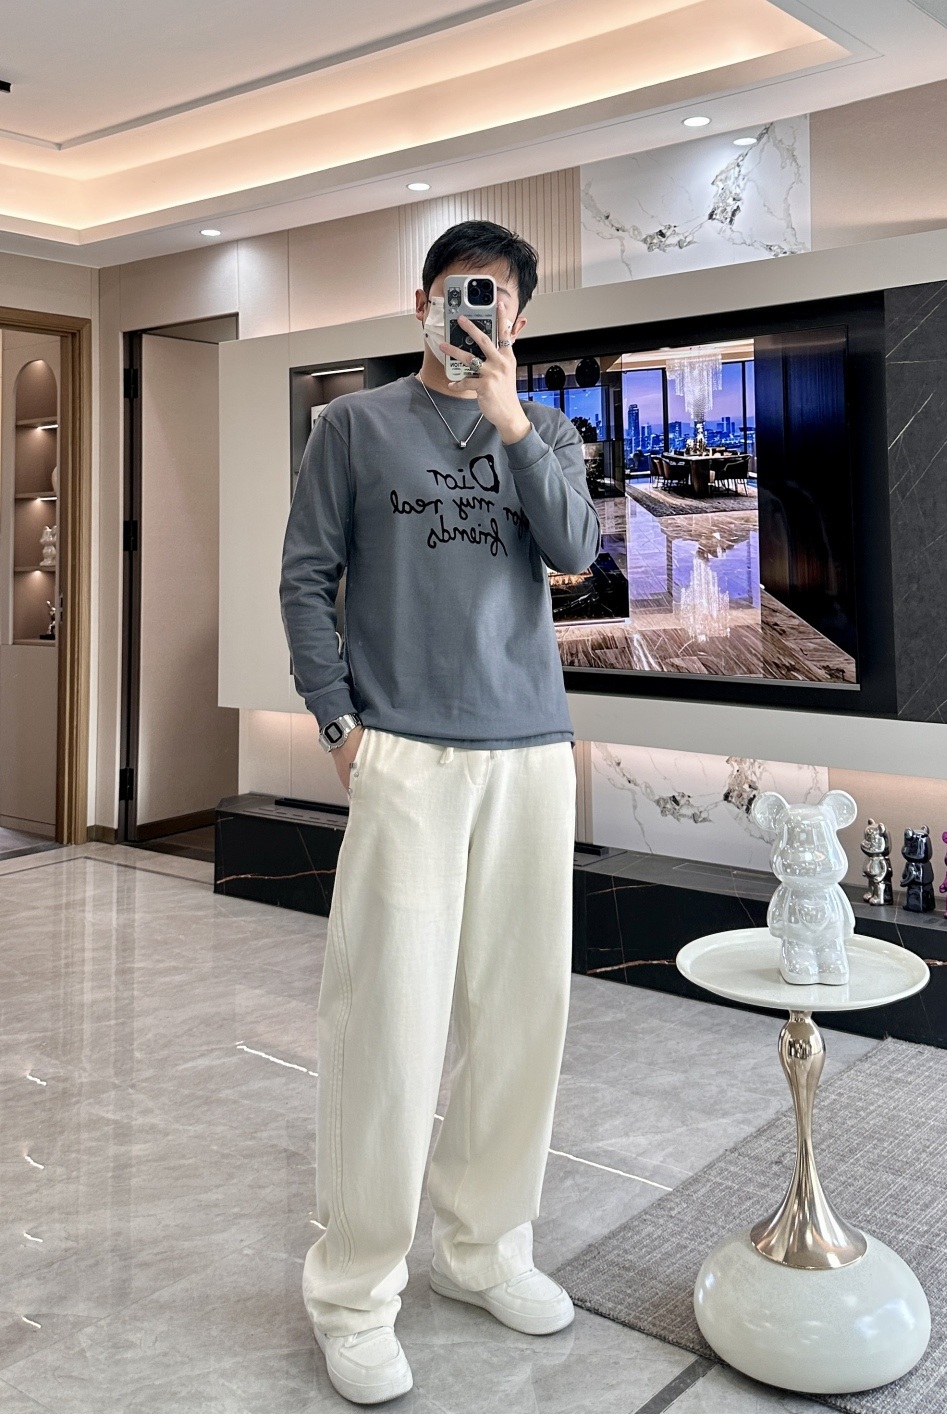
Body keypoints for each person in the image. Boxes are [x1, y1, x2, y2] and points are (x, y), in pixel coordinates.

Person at [280, 220, 600, 1405]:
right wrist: (338, 723)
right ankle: (354, 1291)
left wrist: (510, 419)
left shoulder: (547, 430)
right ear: (421, 300)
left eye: (498, 301)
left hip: (530, 753)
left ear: (519, 320)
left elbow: (575, 549)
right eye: (462, 294)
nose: (477, 316)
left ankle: (484, 1247)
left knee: (523, 1017)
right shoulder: (352, 428)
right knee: (390, 1024)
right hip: (405, 754)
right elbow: (306, 576)